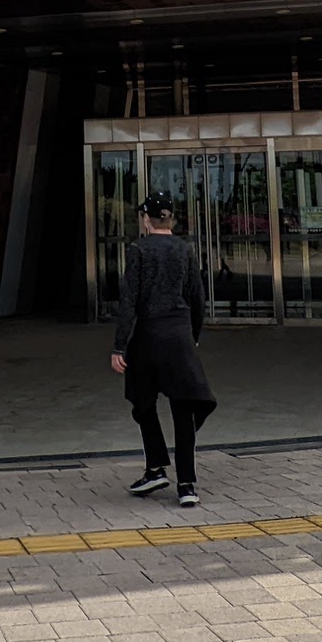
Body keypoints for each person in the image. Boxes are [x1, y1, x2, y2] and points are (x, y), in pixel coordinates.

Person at [111, 193, 217, 508]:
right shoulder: (185, 249)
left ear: (146, 219)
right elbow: (197, 296)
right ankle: (187, 484)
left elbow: (129, 300)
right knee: (183, 408)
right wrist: (193, 335)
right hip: (180, 334)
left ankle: (156, 467)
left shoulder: (138, 250)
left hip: (148, 335)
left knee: (143, 401)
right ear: (170, 219)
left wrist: (119, 346)